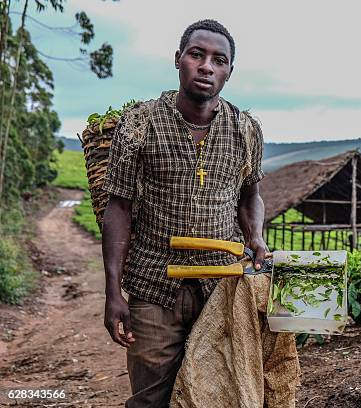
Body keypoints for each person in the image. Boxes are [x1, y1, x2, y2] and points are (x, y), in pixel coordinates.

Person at [101, 19, 268, 407]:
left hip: (222, 287)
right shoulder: (140, 123)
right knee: (150, 399)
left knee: (219, 393)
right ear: (178, 60)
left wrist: (255, 236)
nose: (206, 66)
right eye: (197, 55)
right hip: (154, 287)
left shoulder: (246, 130)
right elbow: (119, 208)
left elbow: (250, 196)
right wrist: (113, 292)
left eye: (218, 60)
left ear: (229, 71)